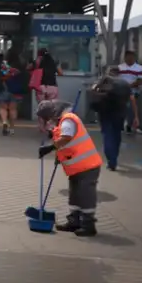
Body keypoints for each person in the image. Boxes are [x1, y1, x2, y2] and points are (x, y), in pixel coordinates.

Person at [37, 99, 103, 237]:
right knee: (75, 195)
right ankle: (74, 221)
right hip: (76, 168)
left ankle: (88, 225)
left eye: (47, 117)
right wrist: (58, 156)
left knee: (86, 195)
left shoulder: (68, 120)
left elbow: (66, 138)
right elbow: (66, 145)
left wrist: (50, 147)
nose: (47, 121)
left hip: (87, 166)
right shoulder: (61, 123)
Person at [91, 66, 136, 171]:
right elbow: (131, 98)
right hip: (120, 113)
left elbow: (93, 90)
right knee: (116, 135)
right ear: (119, 73)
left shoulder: (104, 79)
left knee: (107, 135)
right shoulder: (125, 83)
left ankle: (111, 161)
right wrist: (135, 115)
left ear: (108, 72)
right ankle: (114, 158)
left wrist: (99, 94)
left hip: (105, 112)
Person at [30, 48, 62, 132]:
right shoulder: (53, 61)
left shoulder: (37, 61)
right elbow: (60, 73)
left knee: (42, 107)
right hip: (52, 87)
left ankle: (42, 127)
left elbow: (28, 68)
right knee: (52, 108)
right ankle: (50, 126)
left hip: (41, 87)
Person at [118, 50, 142, 134]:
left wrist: (129, 86)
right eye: (128, 57)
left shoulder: (139, 68)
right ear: (125, 58)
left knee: (131, 108)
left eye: (132, 57)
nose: (130, 59)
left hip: (134, 91)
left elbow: (140, 80)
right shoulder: (120, 67)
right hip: (121, 92)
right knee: (122, 108)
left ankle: (129, 125)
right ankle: (121, 124)